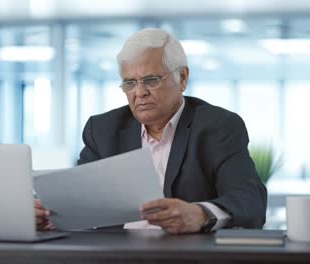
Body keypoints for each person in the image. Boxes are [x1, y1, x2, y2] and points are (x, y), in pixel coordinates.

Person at [36, 28, 267, 234]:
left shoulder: (218, 127)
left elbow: (250, 202)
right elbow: (79, 201)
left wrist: (200, 214)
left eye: (151, 80)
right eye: (129, 83)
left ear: (183, 77)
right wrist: (48, 215)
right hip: (115, 256)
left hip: (186, 255)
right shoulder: (103, 129)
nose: (139, 92)